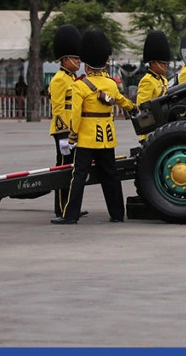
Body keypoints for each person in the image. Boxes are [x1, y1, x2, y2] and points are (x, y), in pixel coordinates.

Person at [52, 28, 137, 225]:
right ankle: (117, 213)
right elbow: (122, 101)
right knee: (111, 175)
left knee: (79, 176)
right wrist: (134, 109)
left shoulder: (80, 86)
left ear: (87, 63)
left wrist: (72, 137)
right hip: (107, 137)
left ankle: (70, 215)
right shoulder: (111, 84)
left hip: (87, 137)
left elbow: (75, 116)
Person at [49, 24, 81, 217]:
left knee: (72, 170)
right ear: (65, 59)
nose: (78, 61)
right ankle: (61, 207)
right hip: (63, 131)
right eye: (75, 58)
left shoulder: (72, 78)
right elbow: (58, 108)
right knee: (63, 170)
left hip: (73, 129)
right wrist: (63, 135)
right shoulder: (59, 79)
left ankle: (69, 204)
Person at [136, 30, 170, 141]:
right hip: (151, 132)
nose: (166, 66)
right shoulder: (147, 81)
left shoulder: (163, 80)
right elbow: (143, 108)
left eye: (166, 63)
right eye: (162, 63)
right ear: (153, 63)